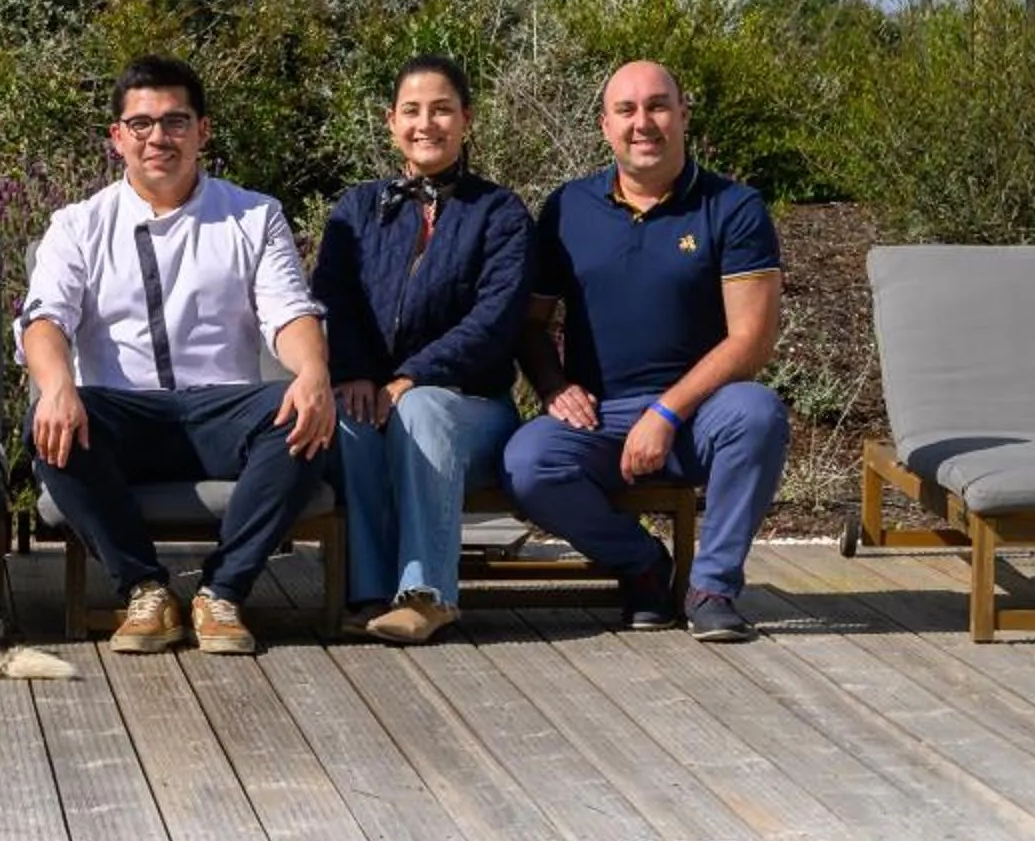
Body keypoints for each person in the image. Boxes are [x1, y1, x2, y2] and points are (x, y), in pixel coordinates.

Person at [19, 54, 335, 655]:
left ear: (202, 131)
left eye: (174, 121)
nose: (157, 137)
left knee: (302, 414)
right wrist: (57, 387)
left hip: (221, 412)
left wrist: (314, 371)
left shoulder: (253, 214)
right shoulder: (78, 224)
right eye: (140, 124)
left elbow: (288, 310)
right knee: (51, 427)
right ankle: (145, 591)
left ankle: (222, 592)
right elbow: (44, 319)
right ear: (117, 138)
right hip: (123, 415)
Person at [501, 59, 788, 640]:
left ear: (683, 115)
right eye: (626, 110)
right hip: (601, 418)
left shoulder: (733, 208)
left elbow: (751, 339)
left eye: (658, 106)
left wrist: (666, 412)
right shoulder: (567, 209)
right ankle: (644, 566)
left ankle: (711, 588)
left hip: (699, 415)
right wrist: (554, 387)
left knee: (759, 415)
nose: (643, 123)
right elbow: (529, 324)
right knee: (526, 463)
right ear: (604, 126)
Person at [310, 55, 533, 644]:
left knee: (420, 407)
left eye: (441, 109)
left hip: (469, 409)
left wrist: (414, 374)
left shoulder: (499, 212)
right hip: (379, 397)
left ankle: (426, 594)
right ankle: (369, 591)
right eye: (411, 110)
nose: (425, 123)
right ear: (391, 122)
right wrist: (355, 370)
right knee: (352, 418)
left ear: (466, 120)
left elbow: (497, 317)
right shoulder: (358, 209)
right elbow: (330, 296)